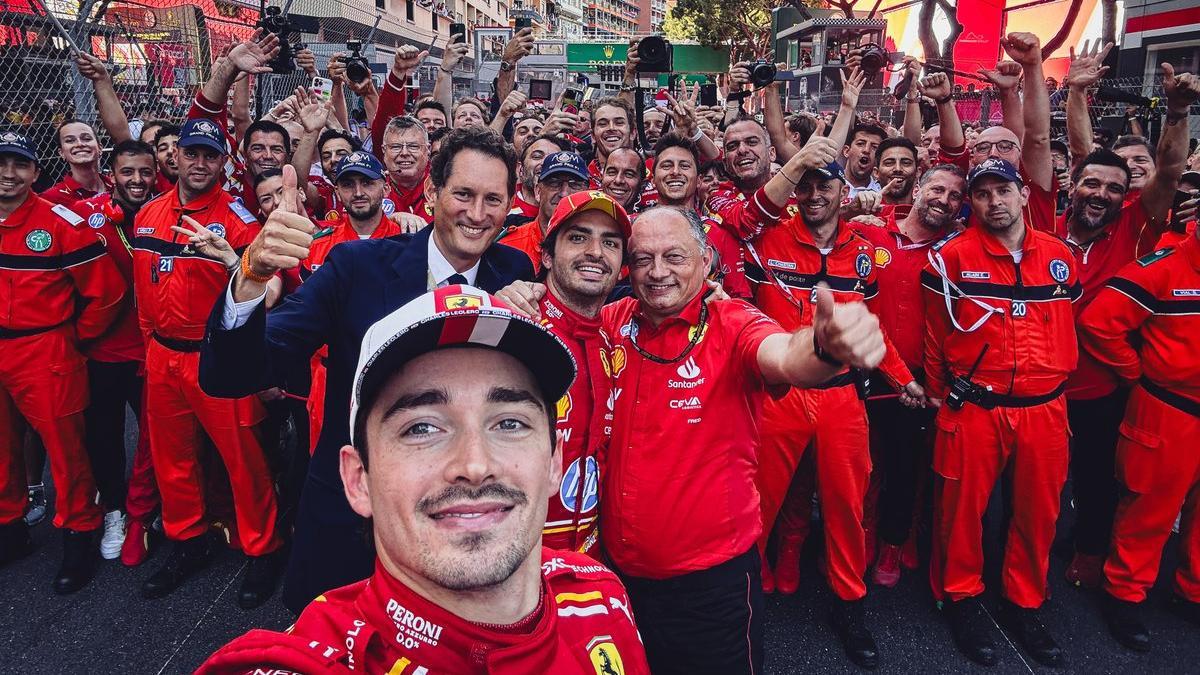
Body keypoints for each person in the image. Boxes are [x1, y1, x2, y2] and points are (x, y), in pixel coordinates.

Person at [200, 285, 651, 673]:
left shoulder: (599, 592)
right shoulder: (322, 658)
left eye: (510, 422)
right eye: (422, 428)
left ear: (555, 460)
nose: (475, 466)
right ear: (359, 479)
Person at [199, 127, 535, 614]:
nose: (477, 214)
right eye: (463, 194)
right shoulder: (356, 266)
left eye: (493, 199)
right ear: (433, 192)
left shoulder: (514, 270)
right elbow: (236, 372)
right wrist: (251, 274)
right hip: (354, 515)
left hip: (462, 517)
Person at [599, 205, 887, 674]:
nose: (657, 273)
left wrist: (822, 349)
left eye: (674, 256)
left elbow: (784, 356)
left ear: (707, 260)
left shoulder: (732, 323)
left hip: (711, 584)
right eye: (642, 259)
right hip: (620, 575)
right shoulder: (613, 322)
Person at [745, 137, 918, 669]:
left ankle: (850, 602)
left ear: (847, 191)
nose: (816, 193)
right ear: (795, 190)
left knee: (846, 506)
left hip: (843, 397)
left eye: (827, 184)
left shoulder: (864, 251)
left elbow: (873, 327)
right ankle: (741, 606)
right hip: (781, 394)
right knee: (755, 505)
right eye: (808, 184)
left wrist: (903, 378)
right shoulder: (766, 241)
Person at [922, 158, 1081, 667]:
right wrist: (940, 397)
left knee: (1039, 513)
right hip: (975, 406)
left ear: (1023, 194)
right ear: (973, 201)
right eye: (983, 194)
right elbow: (934, 338)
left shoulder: (1060, 257)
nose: (994, 202)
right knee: (961, 511)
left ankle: (1025, 601)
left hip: (1044, 409)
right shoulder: (949, 259)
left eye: (1003, 191)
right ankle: (961, 597)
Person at [131, 118, 285, 608]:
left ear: (224, 162)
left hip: (216, 357)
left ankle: (264, 547)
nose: (199, 164)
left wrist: (231, 261)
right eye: (191, 154)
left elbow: (266, 292)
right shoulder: (148, 216)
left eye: (210, 156)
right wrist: (150, 348)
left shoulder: (240, 221)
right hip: (163, 356)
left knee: (244, 459)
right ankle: (186, 540)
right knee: (172, 460)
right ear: (175, 158)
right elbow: (143, 290)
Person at [1057, 57, 1198, 586]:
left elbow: (1169, 171)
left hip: (1101, 388)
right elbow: (1078, 151)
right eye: (1091, 184)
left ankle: (1091, 555)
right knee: (1035, 483)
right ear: (1074, 187)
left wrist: (1179, 110)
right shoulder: (1044, 225)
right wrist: (1073, 92)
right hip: (1037, 385)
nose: (1100, 194)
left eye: (1115, 189)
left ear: (1127, 198)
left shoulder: (1137, 230)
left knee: (1096, 479)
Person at [0, 130, 125, 594]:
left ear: (35, 172)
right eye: (1, 163)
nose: (9, 174)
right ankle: (11, 529)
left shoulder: (59, 222)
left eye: (19, 165)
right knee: (2, 449)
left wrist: (73, 339)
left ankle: (80, 533)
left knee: (66, 451)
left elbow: (107, 293)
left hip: (45, 349)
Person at [1078, 226, 1200, 653]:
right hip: (1169, 409)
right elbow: (1098, 321)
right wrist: (1136, 373)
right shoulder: (1162, 268)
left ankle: (1192, 593)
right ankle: (1123, 595)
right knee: (1149, 509)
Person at [497, 190, 632, 553]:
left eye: (610, 242)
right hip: (512, 561)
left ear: (622, 266)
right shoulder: (513, 327)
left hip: (588, 560)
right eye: (577, 237)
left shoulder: (613, 336)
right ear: (546, 255)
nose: (595, 252)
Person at [852, 164, 967, 587]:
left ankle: (893, 543)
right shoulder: (872, 230)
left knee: (906, 466)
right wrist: (852, 214)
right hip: (865, 365)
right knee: (863, 465)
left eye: (955, 195)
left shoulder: (961, 245)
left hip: (921, 378)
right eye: (937, 187)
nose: (943, 199)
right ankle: (861, 534)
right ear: (919, 187)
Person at [74, 140, 162, 567]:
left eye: (145, 172)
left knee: (155, 439)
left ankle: (147, 512)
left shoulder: (164, 213)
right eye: (128, 172)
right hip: (104, 351)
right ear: (112, 175)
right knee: (104, 437)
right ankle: (114, 510)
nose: (137, 181)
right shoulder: (86, 217)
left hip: (151, 351)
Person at [651, 132, 749, 299]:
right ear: (653, 179)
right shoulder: (633, 228)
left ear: (698, 180)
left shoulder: (721, 233)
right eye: (667, 165)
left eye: (685, 166)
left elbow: (739, 299)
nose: (675, 172)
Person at [500, 151, 590, 271]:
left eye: (575, 185)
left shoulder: (595, 250)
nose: (564, 193)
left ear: (587, 193)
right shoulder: (508, 246)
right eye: (554, 183)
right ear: (538, 191)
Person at [505, 135, 573, 231]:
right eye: (537, 157)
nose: (545, 163)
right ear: (520, 169)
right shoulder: (502, 202)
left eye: (553, 159)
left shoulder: (572, 209)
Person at [41, 119, 111, 205]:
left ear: (100, 148)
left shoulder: (118, 187)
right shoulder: (50, 199)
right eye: (70, 141)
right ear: (61, 153)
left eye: (86, 138)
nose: (79, 144)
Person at [599, 146, 646, 213]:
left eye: (629, 174)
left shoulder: (651, 221)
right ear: (601, 177)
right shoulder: (585, 217)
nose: (618, 180)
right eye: (612, 172)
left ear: (642, 184)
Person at [842, 123, 885, 197]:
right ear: (846, 151)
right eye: (860, 144)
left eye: (874, 147)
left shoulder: (883, 193)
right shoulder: (830, 186)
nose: (866, 150)